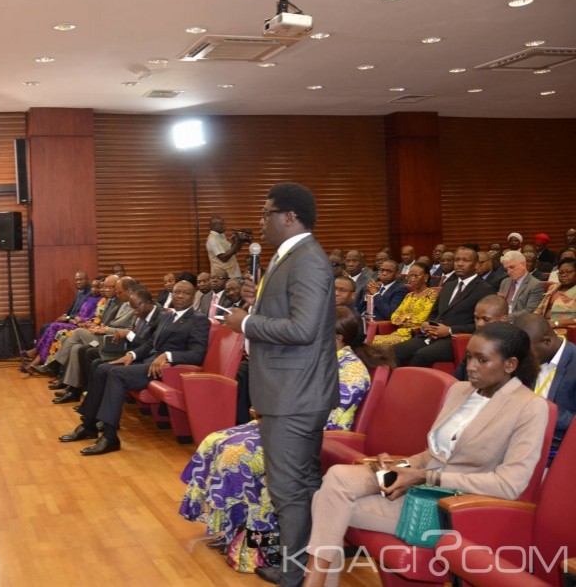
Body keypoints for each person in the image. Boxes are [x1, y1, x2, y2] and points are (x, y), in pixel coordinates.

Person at [303, 322, 548, 587]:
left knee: (326, 502)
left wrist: (425, 477)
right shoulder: (459, 391)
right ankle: (316, 582)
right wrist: (401, 464)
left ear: (510, 365)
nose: (471, 366)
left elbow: (509, 485)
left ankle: (314, 582)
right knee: (337, 476)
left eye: (482, 360)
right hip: (423, 487)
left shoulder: (530, 408)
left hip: (457, 507)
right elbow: (435, 454)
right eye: (468, 357)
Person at [178, 307, 371, 574]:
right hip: (286, 426)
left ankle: (261, 547)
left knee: (236, 454)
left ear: (337, 338)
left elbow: (325, 417)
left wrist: (274, 412)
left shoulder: (351, 371)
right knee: (215, 440)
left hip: (314, 437)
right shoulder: (320, 358)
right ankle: (234, 530)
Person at [224, 181, 337, 587]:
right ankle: (303, 568)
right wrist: (261, 304)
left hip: (295, 394)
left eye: (265, 213)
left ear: (289, 217)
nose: (260, 222)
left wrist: (247, 323)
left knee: (289, 488)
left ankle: (296, 574)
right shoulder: (289, 256)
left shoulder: (306, 259)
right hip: (291, 390)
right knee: (300, 485)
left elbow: (303, 328)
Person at [59, 278, 208, 455]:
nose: (181, 296)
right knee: (102, 368)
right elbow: (151, 342)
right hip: (148, 362)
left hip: (168, 370)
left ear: (193, 296)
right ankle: (89, 424)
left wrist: (168, 355)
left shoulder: (199, 320)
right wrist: (131, 354)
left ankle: (109, 436)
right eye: (177, 292)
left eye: (186, 293)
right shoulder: (168, 315)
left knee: (116, 374)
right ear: (172, 294)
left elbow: (197, 354)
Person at [392, 245, 495, 367]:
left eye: (466, 260)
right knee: (394, 351)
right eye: (457, 260)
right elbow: (434, 313)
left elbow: (483, 325)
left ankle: (413, 385)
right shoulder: (448, 286)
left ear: (477, 265)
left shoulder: (484, 290)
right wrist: (426, 324)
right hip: (432, 336)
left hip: (456, 339)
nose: (460, 264)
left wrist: (450, 330)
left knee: (421, 355)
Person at [514, 313, 576, 465]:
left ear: (546, 342)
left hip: (557, 452)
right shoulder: (531, 357)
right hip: (522, 439)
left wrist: (544, 411)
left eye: (526, 353)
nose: (522, 359)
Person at [27, 276, 102, 372]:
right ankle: (38, 359)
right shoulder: (89, 298)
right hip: (76, 323)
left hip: (84, 327)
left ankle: (39, 358)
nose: (94, 289)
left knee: (55, 327)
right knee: (51, 327)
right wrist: (70, 317)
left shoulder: (101, 300)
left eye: (98, 287)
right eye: (93, 287)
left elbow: (92, 318)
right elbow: (78, 313)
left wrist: (73, 319)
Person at [370, 263, 440, 348]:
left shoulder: (431, 295)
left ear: (425, 277)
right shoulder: (409, 295)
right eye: (410, 276)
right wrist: (405, 319)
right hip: (399, 332)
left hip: (415, 334)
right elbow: (394, 316)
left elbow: (421, 319)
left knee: (376, 343)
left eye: (416, 276)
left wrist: (402, 319)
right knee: (371, 340)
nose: (412, 279)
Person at [498, 250, 545, 319]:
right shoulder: (505, 282)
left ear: (523, 264)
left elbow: (530, 311)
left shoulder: (535, 285)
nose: (509, 272)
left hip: (520, 322)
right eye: (506, 269)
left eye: (512, 267)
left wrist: (505, 318)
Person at [533, 257, 576, 331]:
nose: (563, 275)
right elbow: (540, 308)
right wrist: (534, 318)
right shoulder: (553, 287)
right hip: (544, 326)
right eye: (561, 272)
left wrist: (556, 323)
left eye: (568, 272)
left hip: (566, 329)